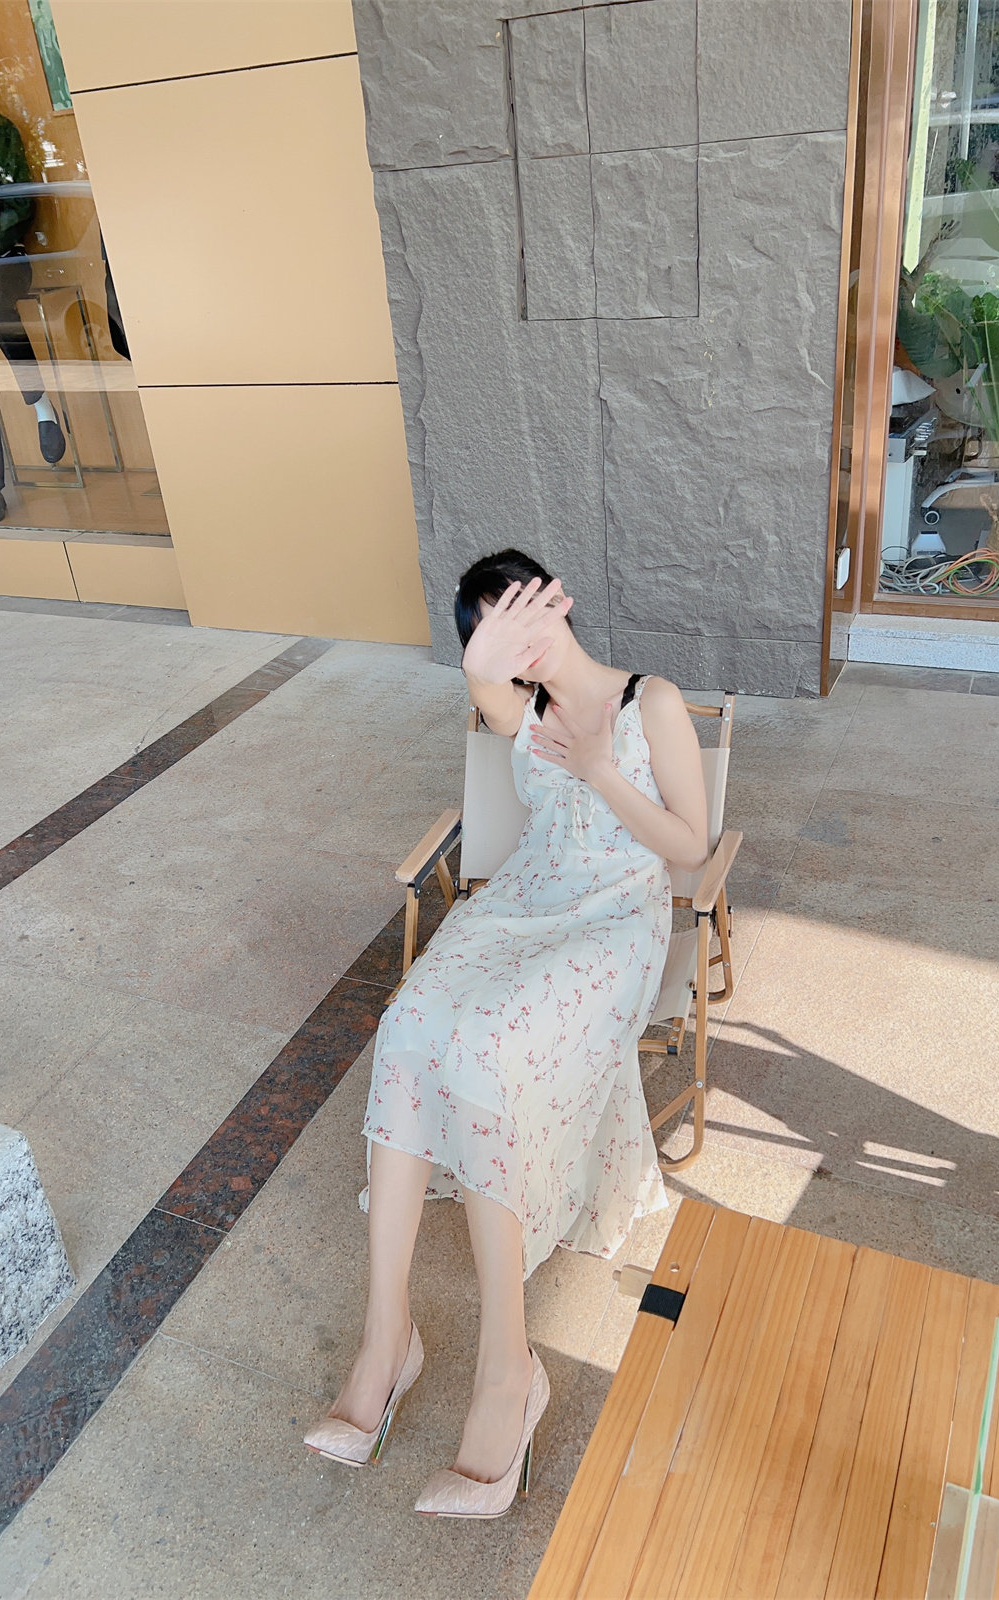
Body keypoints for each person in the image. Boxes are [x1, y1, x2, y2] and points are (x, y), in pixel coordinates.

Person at [304, 549, 709, 1518]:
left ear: (555, 601)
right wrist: (486, 655)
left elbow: (691, 848)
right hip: (524, 902)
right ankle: (387, 1338)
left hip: (612, 922)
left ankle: (508, 1371)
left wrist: (601, 769)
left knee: (483, 1052)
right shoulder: (515, 712)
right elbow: (484, 680)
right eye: (493, 629)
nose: (518, 644)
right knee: (409, 1026)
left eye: (522, 612)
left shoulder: (652, 701)